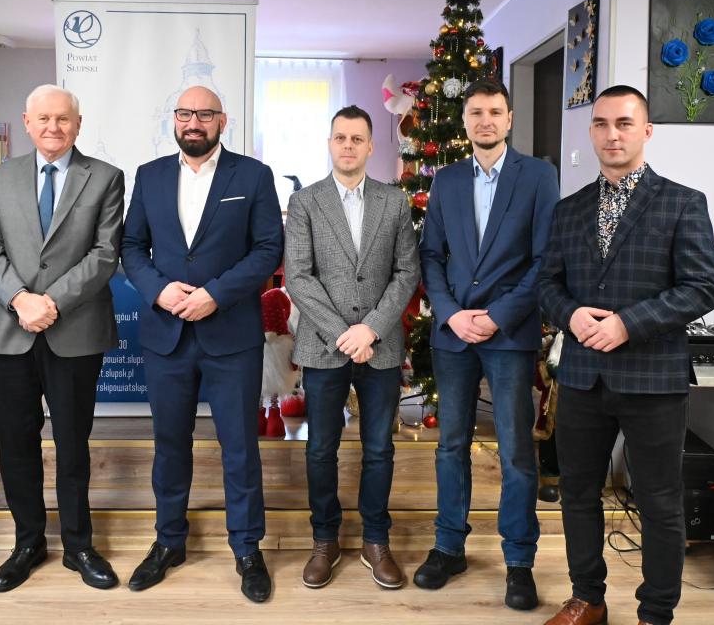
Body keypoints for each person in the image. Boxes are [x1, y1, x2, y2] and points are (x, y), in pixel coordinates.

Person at [537, 85, 714, 625]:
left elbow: (703, 287)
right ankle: (587, 599)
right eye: (601, 124)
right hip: (582, 377)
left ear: (646, 131)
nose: (611, 134)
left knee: (659, 502)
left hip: (653, 378)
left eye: (623, 123)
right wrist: (570, 314)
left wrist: (627, 324)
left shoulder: (683, 202)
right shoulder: (569, 210)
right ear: (591, 132)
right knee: (577, 493)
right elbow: (547, 284)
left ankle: (655, 614)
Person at [121, 85, 283, 603]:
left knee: (239, 447)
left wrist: (216, 294)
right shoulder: (149, 175)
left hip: (231, 334)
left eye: (205, 114)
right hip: (166, 335)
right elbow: (131, 246)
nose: (194, 122)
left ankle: (247, 548)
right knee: (170, 445)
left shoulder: (252, 175)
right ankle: (169, 541)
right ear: (175, 119)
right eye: (185, 113)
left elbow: (267, 249)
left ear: (222, 121)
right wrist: (158, 290)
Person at [414, 76, 559, 611]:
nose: (485, 121)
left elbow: (545, 261)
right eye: (476, 112)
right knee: (450, 445)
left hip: (510, 333)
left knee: (517, 450)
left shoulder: (538, 176)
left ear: (509, 118)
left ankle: (519, 561)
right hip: (454, 335)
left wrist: (496, 316)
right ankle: (448, 547)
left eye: (495, 112)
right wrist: (451, 314)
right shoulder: (447, 179)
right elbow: (430, 255)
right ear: (465, 120)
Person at [0, 84, 125, 593]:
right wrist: (20, 299)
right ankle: (28, 542)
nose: (53, 127)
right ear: (27, 121)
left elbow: (105, 254)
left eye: (63, 119)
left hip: (74, 331)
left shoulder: (105, 177)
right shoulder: (1, 177)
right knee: (15, 442)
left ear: (78, 124)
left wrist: (51, 302)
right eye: (43, 118)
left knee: (72, 442)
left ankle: (79, 545)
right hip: (6, 330)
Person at [283, 105, 421, 590]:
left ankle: (375, 541)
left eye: (357, 138)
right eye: (340, 137)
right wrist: (345, 333)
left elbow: (407, 271)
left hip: (380, 347)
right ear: (330, 143)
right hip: (325, 346)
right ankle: (325, 540)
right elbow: (298, 276)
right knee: (321, 449)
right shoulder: (305, 202)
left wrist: (371, 329)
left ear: (370, 146)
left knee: (379, 448)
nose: (348, 145)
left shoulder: (394, 201)